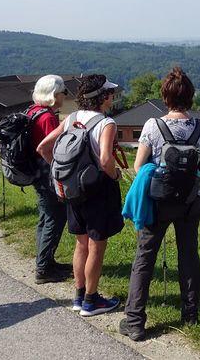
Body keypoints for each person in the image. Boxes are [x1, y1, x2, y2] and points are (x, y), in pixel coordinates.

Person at [119, 67, 200, 341]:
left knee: (144, 258)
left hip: (158, 203)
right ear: (191, 96)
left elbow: (138, 166)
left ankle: (135, 321)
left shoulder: (152, 126)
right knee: (189, 255)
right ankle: (190, 313)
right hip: (190, 201)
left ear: (165, 96)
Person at [37, 74, 124, 316]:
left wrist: (60, 173)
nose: (112, 97)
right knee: (97, 246)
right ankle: (91, 300)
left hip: (73, 190)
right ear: (103, 97)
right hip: (98, 190)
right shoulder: (106, 124)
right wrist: (115, 175)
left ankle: (78, 296)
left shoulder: (71, 118)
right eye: (110, 93)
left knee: (81, 244)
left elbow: (43, 147)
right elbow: (106, 159)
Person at [29, 75, 71, 284]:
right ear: (54, 95)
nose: (64, 96)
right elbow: (54, 148)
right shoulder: (47, 118)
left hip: (36, 173)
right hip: (47, 175)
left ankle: (45, 260)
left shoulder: (33, 111)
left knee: (45, 219)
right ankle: (44, 268)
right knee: (55, 219)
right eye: (63, 92)